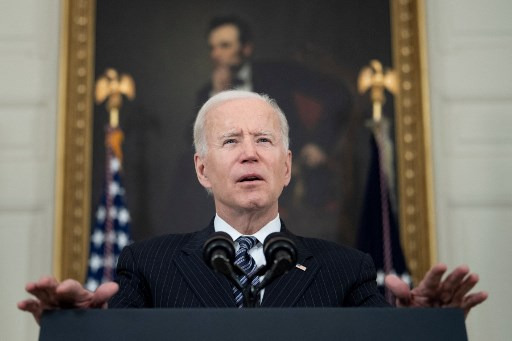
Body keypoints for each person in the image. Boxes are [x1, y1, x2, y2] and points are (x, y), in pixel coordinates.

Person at [19, 91, 487, 324]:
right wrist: (71, 329)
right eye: (230, 141)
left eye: (264, 140)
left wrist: (424, 329)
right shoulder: (148, 265)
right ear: (203, 171)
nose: (250, 153)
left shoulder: (347, 271)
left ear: (286, 167)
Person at [194, 15, 354, 242]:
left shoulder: (279, 73)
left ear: (246, 48)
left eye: (225, 46)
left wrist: (319, 142)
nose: (216, 54)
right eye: (212, 47)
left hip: (294, 172)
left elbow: (338, 94)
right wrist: (217, 97)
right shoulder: (205, 94)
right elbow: (193, 143)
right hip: (229, 179)